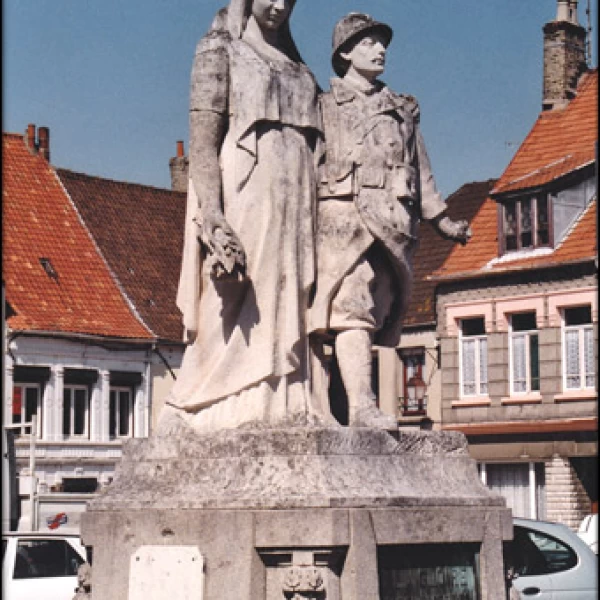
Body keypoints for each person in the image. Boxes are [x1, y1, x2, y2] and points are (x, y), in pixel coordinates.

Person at [158, 0, 324, 433]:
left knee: (288, 290)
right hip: (247, 186)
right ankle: (199, 401)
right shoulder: (220, 48)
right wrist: (211, 213)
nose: (278, 4)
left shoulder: (301, 69)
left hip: (298, 192)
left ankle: (282, 396)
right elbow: (202, 144)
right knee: (232, 292)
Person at [309, 13, 471, 428]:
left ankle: (348, 403)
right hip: (341, 219)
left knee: (374, 310)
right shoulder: (322, 105)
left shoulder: (401, 108)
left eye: (383, 44)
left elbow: (421, 168)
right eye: (368, 43)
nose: (380, 51)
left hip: (392, 222)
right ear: (344, 52)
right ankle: (360, 406)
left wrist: (441, 219)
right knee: (348, 307)